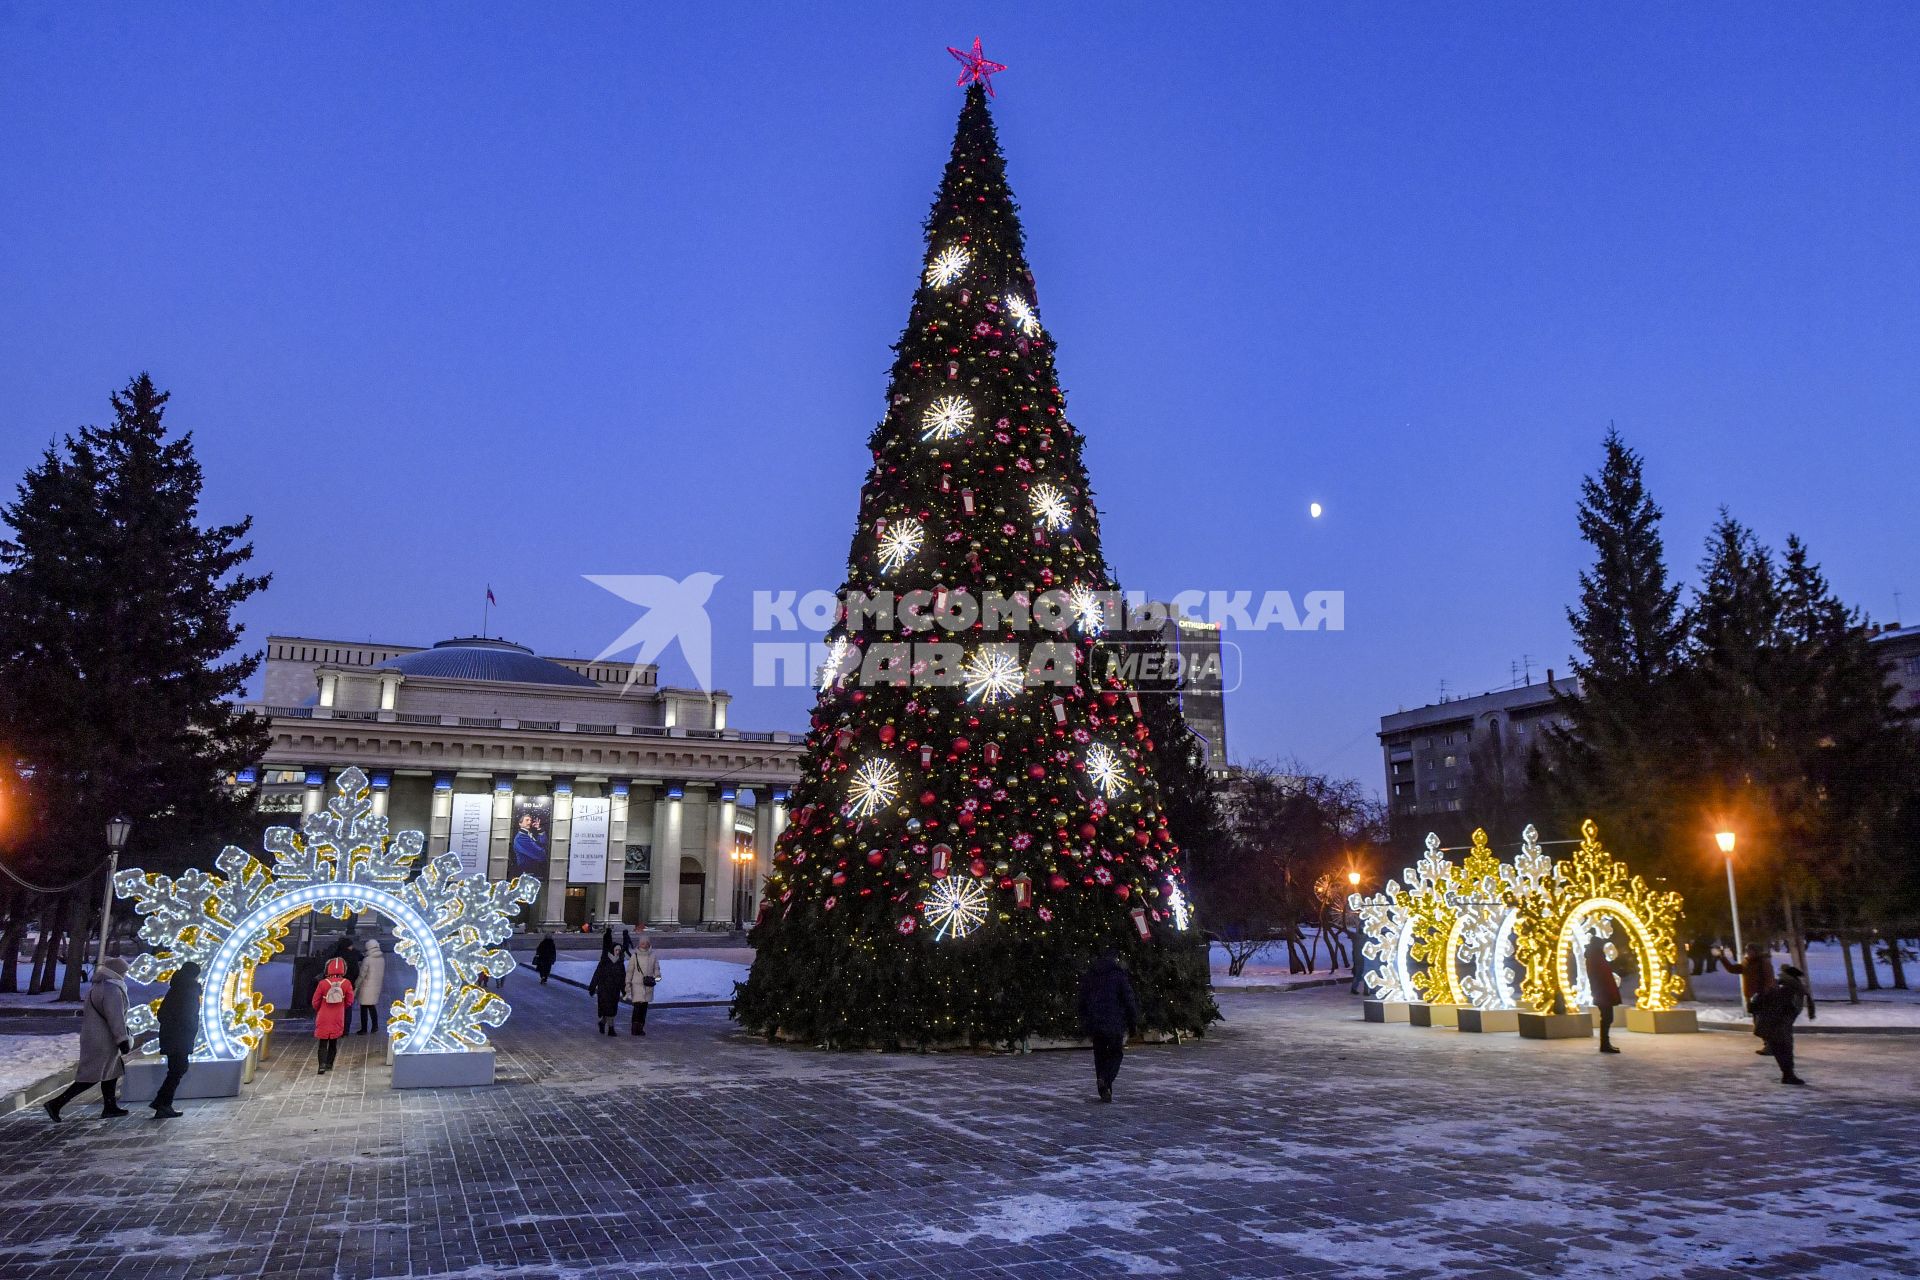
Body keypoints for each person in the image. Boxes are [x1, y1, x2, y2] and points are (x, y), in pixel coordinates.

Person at [44, 955, 132, 1121]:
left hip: (95, 1036)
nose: (126, 974)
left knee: (111, 1071)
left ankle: (110, 1106)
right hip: (104, 1039)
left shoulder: (99, 986)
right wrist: (122, 1039)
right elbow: (115, 1016)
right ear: (117, 972)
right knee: (92, 1076)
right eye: (124, 971)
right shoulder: (111, 989)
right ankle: (56, 1103)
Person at [1077, 950, 1139, 1103]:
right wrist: (1132, 1024)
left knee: (1100, 1056)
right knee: (1115, 1054)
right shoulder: (1119, 976)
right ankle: (1106, 1079)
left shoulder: (1092, 975)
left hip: (1096, 1022)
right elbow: (1129, 1001)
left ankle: (1104, 1087)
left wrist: (1086, 1019)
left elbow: (1082, 999)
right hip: (1114, 1022)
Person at [150, 960, 202, 1118]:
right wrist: (190, 1028)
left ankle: (162, 1102)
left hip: (170, 1035)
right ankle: (163, 1104)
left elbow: (161, 1014)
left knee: (176, 1070)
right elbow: (188, 1015)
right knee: (177, 1070)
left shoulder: (175, 989)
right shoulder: (189, 990)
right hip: (180, 1037)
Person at [1751, 963, 1815, 1085]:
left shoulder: (1787, 988)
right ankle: (1788, 1075)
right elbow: (1782, 1008)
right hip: (1777, 1025)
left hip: (1777, 1025)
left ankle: (1788, 1075)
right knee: (1784, 1049)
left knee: (1782, 1049)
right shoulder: (1788, 990)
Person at [1717, 942, 1776, 1053]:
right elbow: (1733, 969)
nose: (1748, 953)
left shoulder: (1763, 962)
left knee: (1763, 1023)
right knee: (1758, 1022)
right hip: (1752, 997)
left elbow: (1769, 979)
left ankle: (1770, 1046)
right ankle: (1768, 1044)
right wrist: (1722, 958)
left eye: (1751, 951)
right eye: (1747, 951)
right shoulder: (1747, 963)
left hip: (1763, 997)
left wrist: (1764, 993)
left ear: (1756, 951)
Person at [311, 956, 353, 1073]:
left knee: (322, 1043)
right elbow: (350, 1000)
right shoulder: (346, 983)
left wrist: (319, 1009)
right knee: (333, 1042)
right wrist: (341, 1007)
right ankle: (329, 1064)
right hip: (338, 1016)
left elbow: (315, 1001)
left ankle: (321, 1065)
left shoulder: (323, 983)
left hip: (323, 1016)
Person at [1584, 936, 1622, 1054]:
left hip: (1602, 992)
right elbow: (1603, 977)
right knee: (1607, 1018)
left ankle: (1605, 1043)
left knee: (1607, 1018)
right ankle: (1605, 1044)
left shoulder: (1594, 957)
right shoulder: (1596, 958)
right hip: (1603, 993)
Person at [623, 936, 662, 1035]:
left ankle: (640, 1027)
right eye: (641, 943)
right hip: (637, 985)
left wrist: (657, 976)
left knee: (644, 1008)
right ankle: (634, 1028)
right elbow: (630, 971)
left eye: (645, 943)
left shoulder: (653, 955)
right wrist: (627, 983)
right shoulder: (634, 956)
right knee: (637, 1007)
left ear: (648, 944)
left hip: (648, 985)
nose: (643, 944)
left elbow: (656, 968)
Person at [587, 944, 623, 1036]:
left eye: (619, 950)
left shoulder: (620, 962)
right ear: (612, 950)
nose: (618, 952)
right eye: (616, 950)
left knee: (612, 1009)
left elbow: (623, 978)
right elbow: (597, 974)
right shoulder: (604, 961)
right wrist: (592, 987)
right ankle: (611, 1029)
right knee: (608, 1008)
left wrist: (624, 990)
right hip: (604, 989)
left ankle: (602, 1022)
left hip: (615, 990)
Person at [356, 941, 385, 1035]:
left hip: (366, 986)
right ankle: (375, 1026)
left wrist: (356, 984)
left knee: (364, 1007)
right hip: (376, 985)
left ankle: (364, 1029)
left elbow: (362, 974)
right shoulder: (381, 959)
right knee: (372, 1006)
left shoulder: (367, 959)